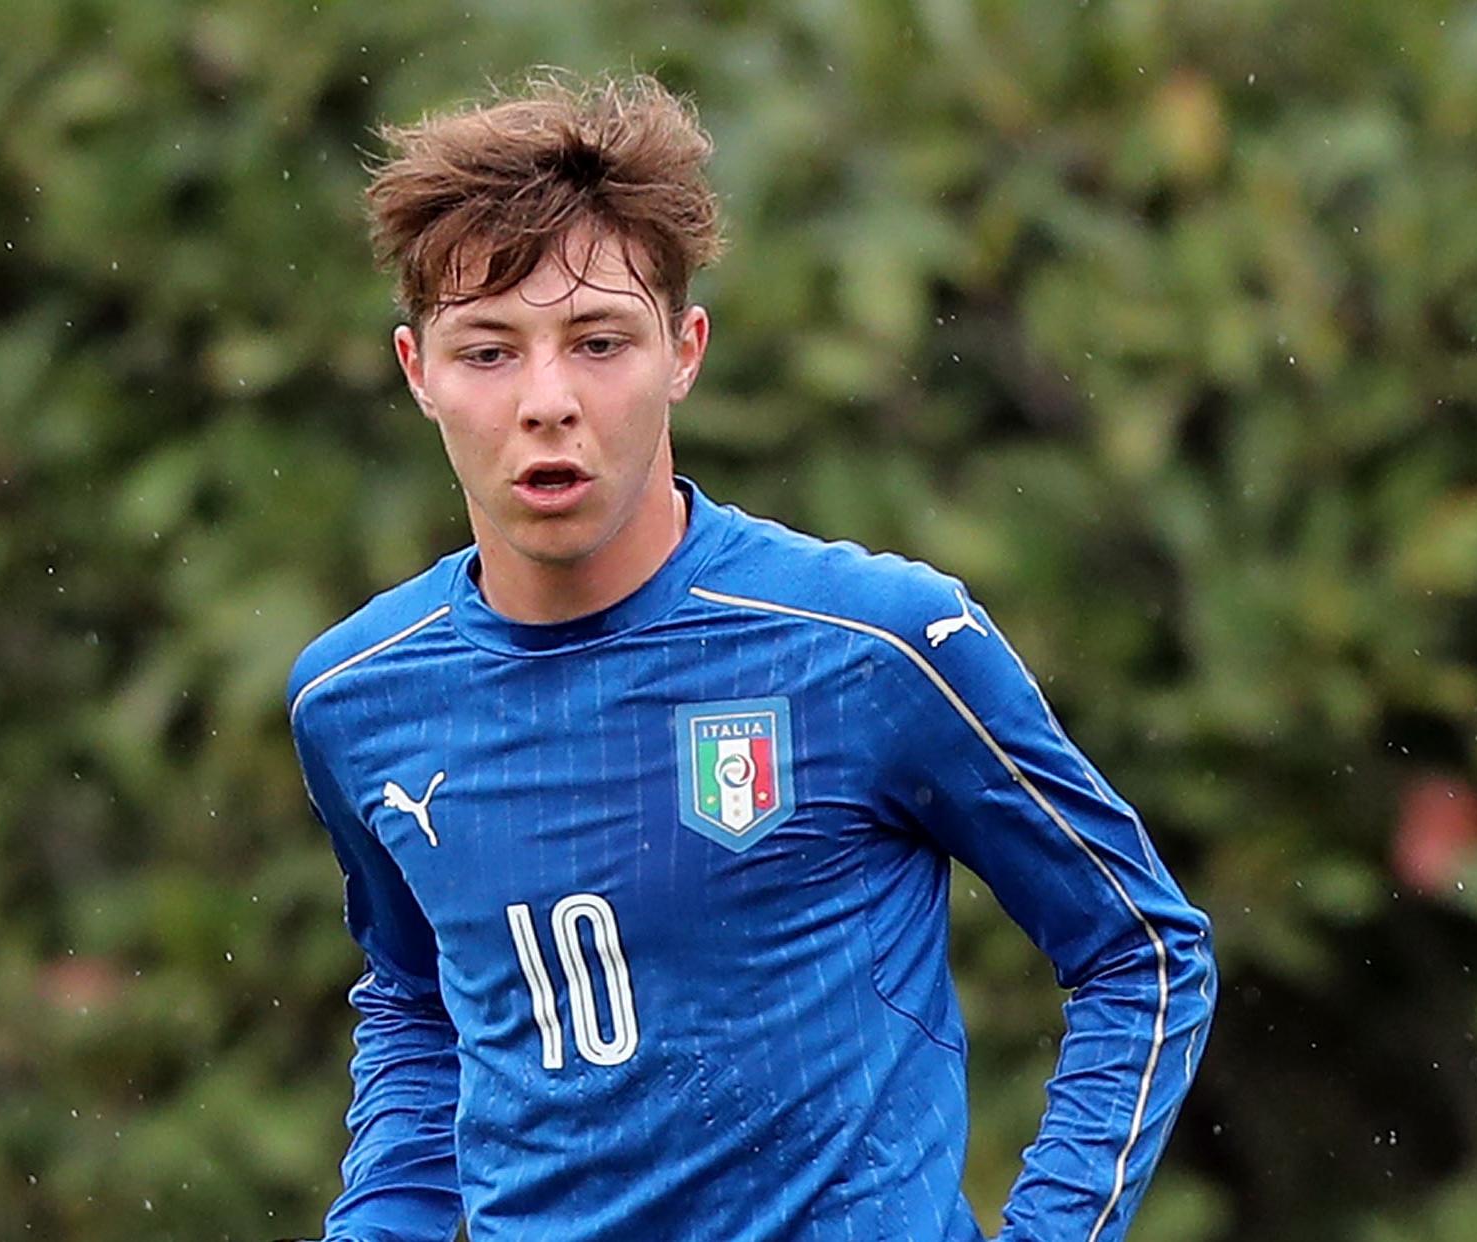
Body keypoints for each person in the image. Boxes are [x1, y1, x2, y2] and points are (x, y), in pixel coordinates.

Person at [285, 72, 1216, 1242]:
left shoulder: (874, 644)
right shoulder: (357, 700)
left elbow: (1141, 953)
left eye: (599, 340)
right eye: (488, 352)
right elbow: (422, 1008)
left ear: (684, 351)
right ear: (417, 370)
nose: (548, 400)